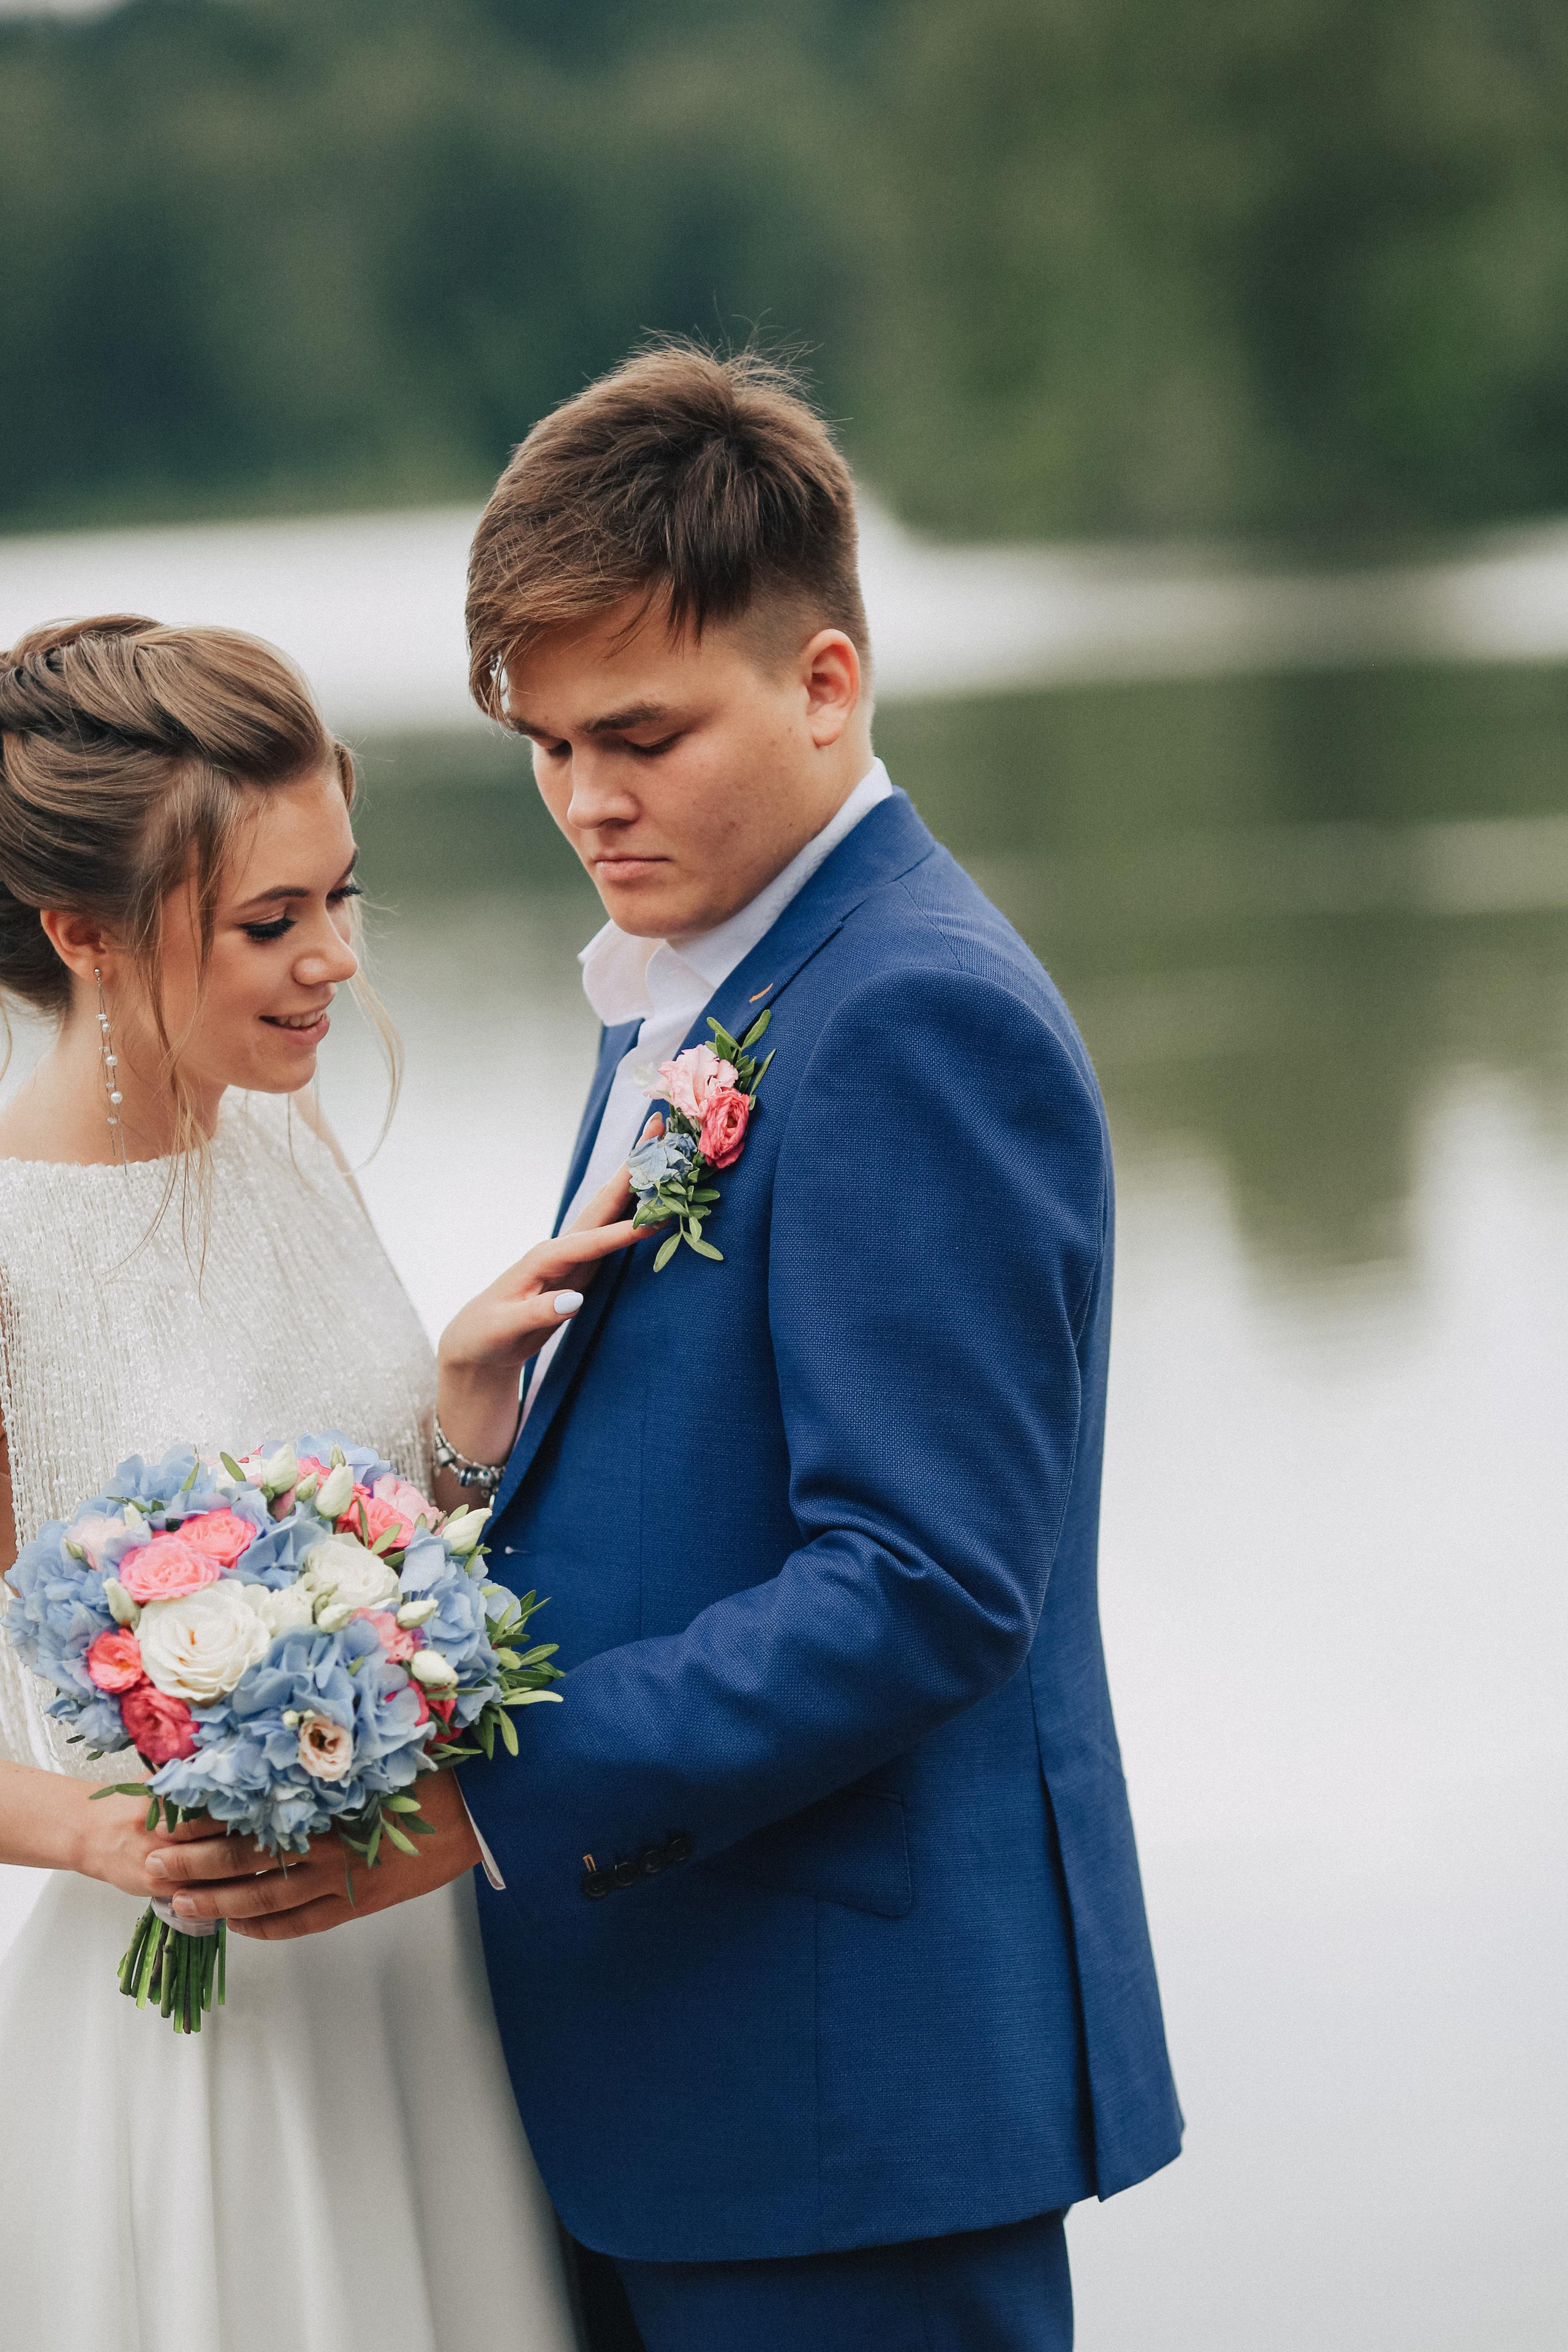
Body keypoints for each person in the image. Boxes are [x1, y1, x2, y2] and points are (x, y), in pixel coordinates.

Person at [175, 345, 1185, 2349]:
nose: (584, 801)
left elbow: (922, 1588)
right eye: (546, 747)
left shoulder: (911, 1017)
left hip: (839, 2106)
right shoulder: (713, 971)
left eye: (637, 734)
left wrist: (479, 1802)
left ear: (826, 682)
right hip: (674, 2069)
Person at [0, 614, 641, 2351]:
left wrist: (451, 1419)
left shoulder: (288, 1146)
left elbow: (379, 1550)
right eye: (270, 924)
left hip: (420, 1977)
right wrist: (106, 1837)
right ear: (81, 935)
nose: (334, 962)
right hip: (200, 2028)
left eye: (344, 897)